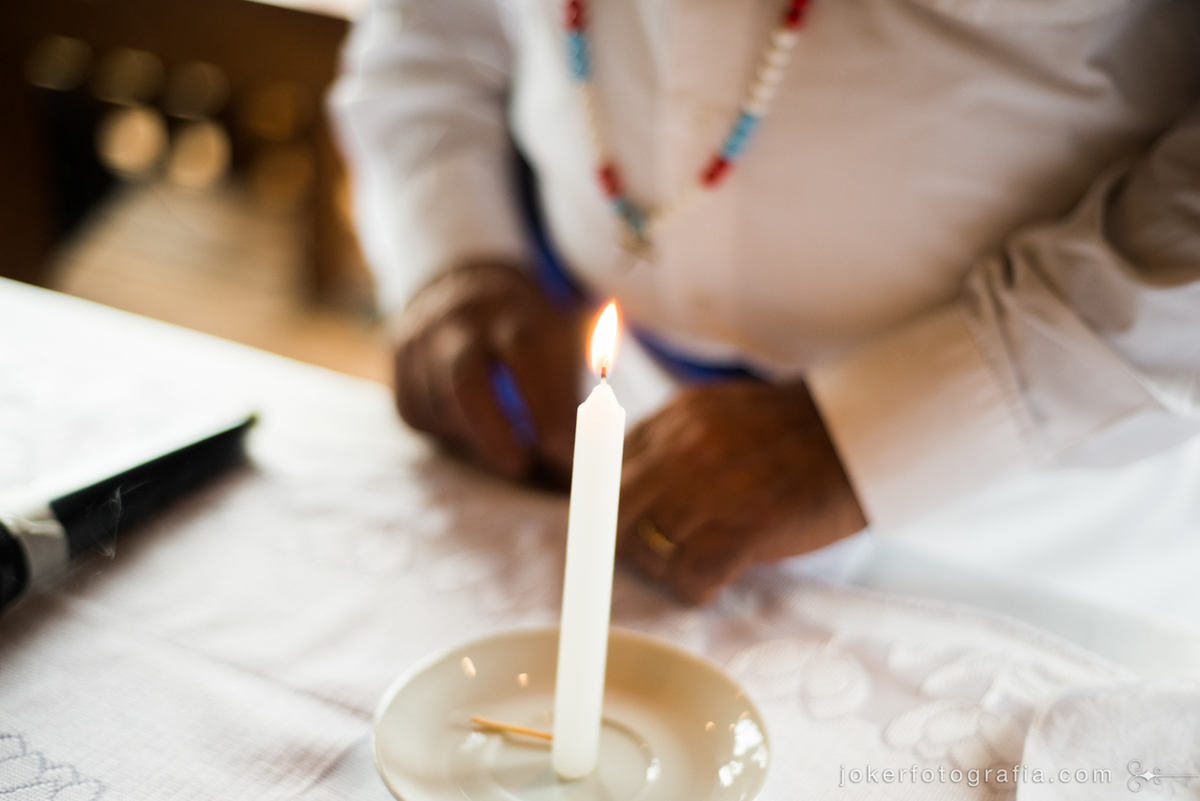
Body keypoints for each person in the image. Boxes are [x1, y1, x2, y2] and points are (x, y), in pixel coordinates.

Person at [332, 0, 1200, 603]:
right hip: (590, 439)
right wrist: (454, 250)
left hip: (1023, 512)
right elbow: (431, 30)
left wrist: (867, 431)